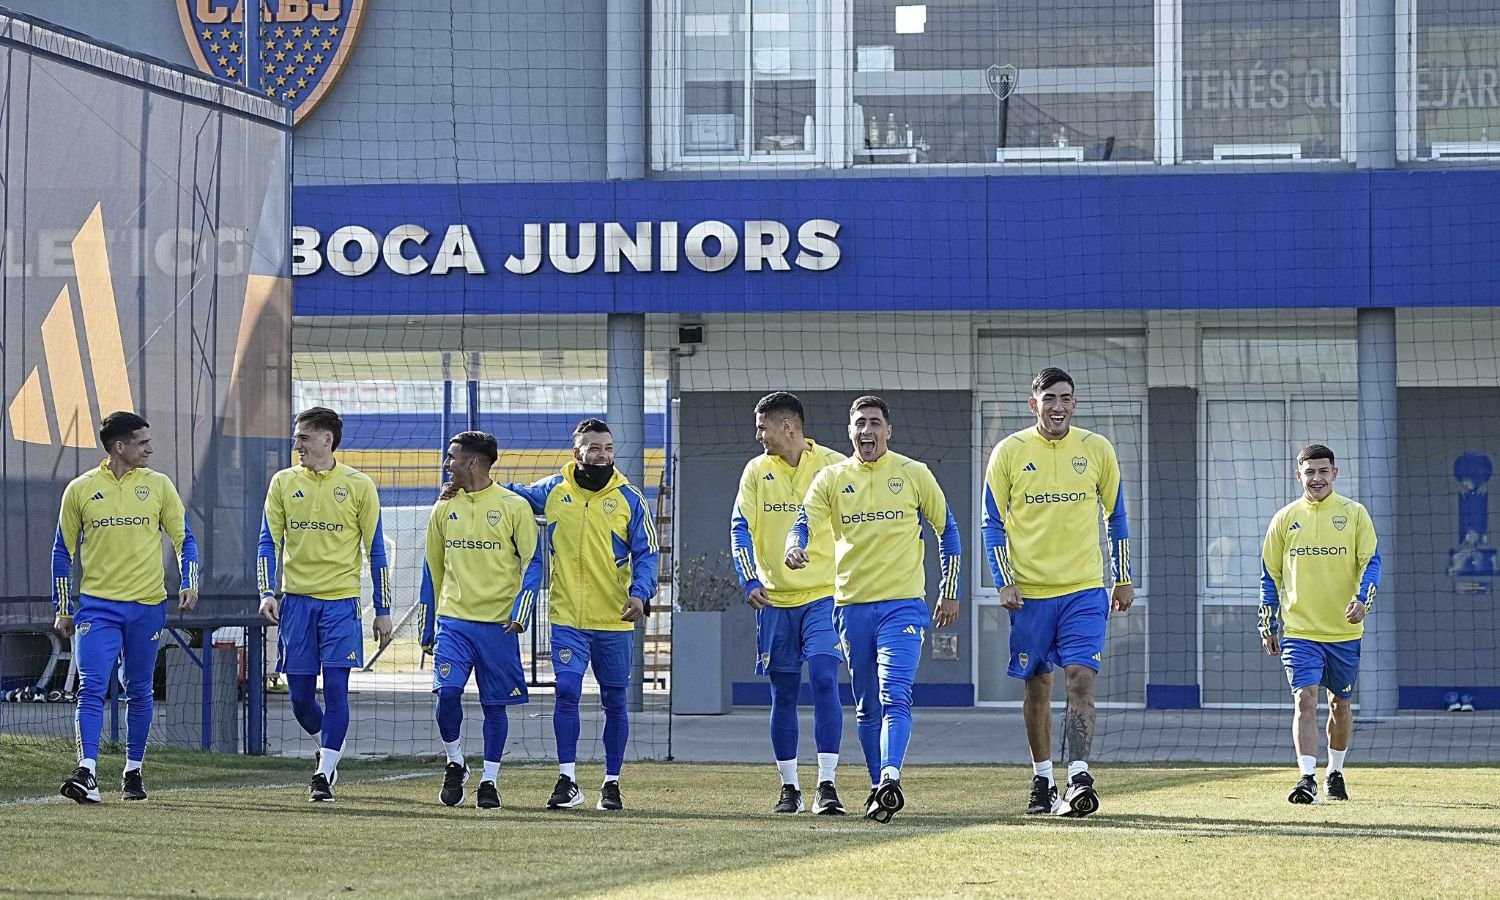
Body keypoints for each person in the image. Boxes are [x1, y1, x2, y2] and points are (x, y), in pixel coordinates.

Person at [785, 395, 961, 824]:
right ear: (850, 432)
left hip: (903, 606)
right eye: (860, 424)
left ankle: (890, 775)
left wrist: (950, 590)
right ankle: (877, 789)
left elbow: (947, 529)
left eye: (875, 423)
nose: (867, 431)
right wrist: (794, 545)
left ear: (888, 430)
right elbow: (803, 521)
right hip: (851, 607)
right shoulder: (831, 478)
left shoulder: (914, 474)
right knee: (866, 706)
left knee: (894, 695)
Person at [981, 367, 1133, 818]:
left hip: (1085, 588)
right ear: (1034, 404)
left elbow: (1117, 517)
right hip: (1030, 594)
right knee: (1038, 688)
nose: (1058, 406)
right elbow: (992, 522)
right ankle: (1043, 779)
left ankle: (1080, 773)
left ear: (1075, 404)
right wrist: (1003, 579)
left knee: (1081, 680)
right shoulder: (1008, 452)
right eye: (1050, 398)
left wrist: (1122, 577)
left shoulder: (1097, 448)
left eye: (1066, 398)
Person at [499, 418, 659, 811]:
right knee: (566, 692)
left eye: (607, 447)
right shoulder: (553, 490)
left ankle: (612, 782)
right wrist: (468, 485)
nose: (602, 454)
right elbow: (510, 494)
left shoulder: (630, 499)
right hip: (567, 617)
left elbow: (648, 553)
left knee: (615, 702)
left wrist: (640, 594)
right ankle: (568, 779)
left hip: (614, 620)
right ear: (577, 452)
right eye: (593, 447)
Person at [53, 411, 200, 803]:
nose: (150, 448)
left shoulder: (159, 486)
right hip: (97, 609)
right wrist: (64, 607)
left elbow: (185, 540)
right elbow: (61, 552)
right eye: (142, 442)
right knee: (91, 686)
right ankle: (87, 771)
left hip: (147, 608)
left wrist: (190, 582)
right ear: (119, 447)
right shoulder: (80, 489)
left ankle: (133, 772)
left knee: (138, 690)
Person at [257, 406, 392, 802]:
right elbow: (268, 542)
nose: (295, 444)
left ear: (326, 440)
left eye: (302, 437)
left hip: (340, 606)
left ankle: (324, 771)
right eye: (296, 437)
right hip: (296, 604)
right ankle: (330, 746)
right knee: (299, 697)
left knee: (336, 690)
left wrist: (383, 610)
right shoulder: (282, 483)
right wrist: (268, 591)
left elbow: (377, 551)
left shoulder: (359, 485)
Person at [730, 391, 847, 815]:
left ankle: (827, 785)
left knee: (823, 678)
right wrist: (749, 578)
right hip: (775, 602)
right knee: (783, 693)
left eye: (762, 426)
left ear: (787, 426)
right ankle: (790, 788)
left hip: (824, 597)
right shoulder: (755, 471)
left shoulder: (834, 465)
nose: (757, 434)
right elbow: (740, 527)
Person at [420, 431, 543, 809]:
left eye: (451, 457)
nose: (446, 464)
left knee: (495, 706)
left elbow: (533, 562)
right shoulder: (443, 508)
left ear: (472, 462)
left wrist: (521, 613)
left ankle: (489, 781)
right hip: (454, 622)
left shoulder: (513, 506)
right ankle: (455, 761)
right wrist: (428, 626)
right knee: (447, 695)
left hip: (499, 625)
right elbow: (432, 569)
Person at [1260, 443, 1380, 804]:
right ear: (1299, 475)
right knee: (1304, 700)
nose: (1316, 478)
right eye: (1309, 472)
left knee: (1340, 705)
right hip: (1299, 631)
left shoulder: (1355, 514)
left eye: (1322, 471)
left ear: (1335, 473)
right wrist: (1268, 623)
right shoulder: (1284, 519)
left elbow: (1371, 564)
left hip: (1344, 631)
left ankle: (1336, 771)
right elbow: (1270, 575)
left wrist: (1363, 602)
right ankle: (1306, 778)